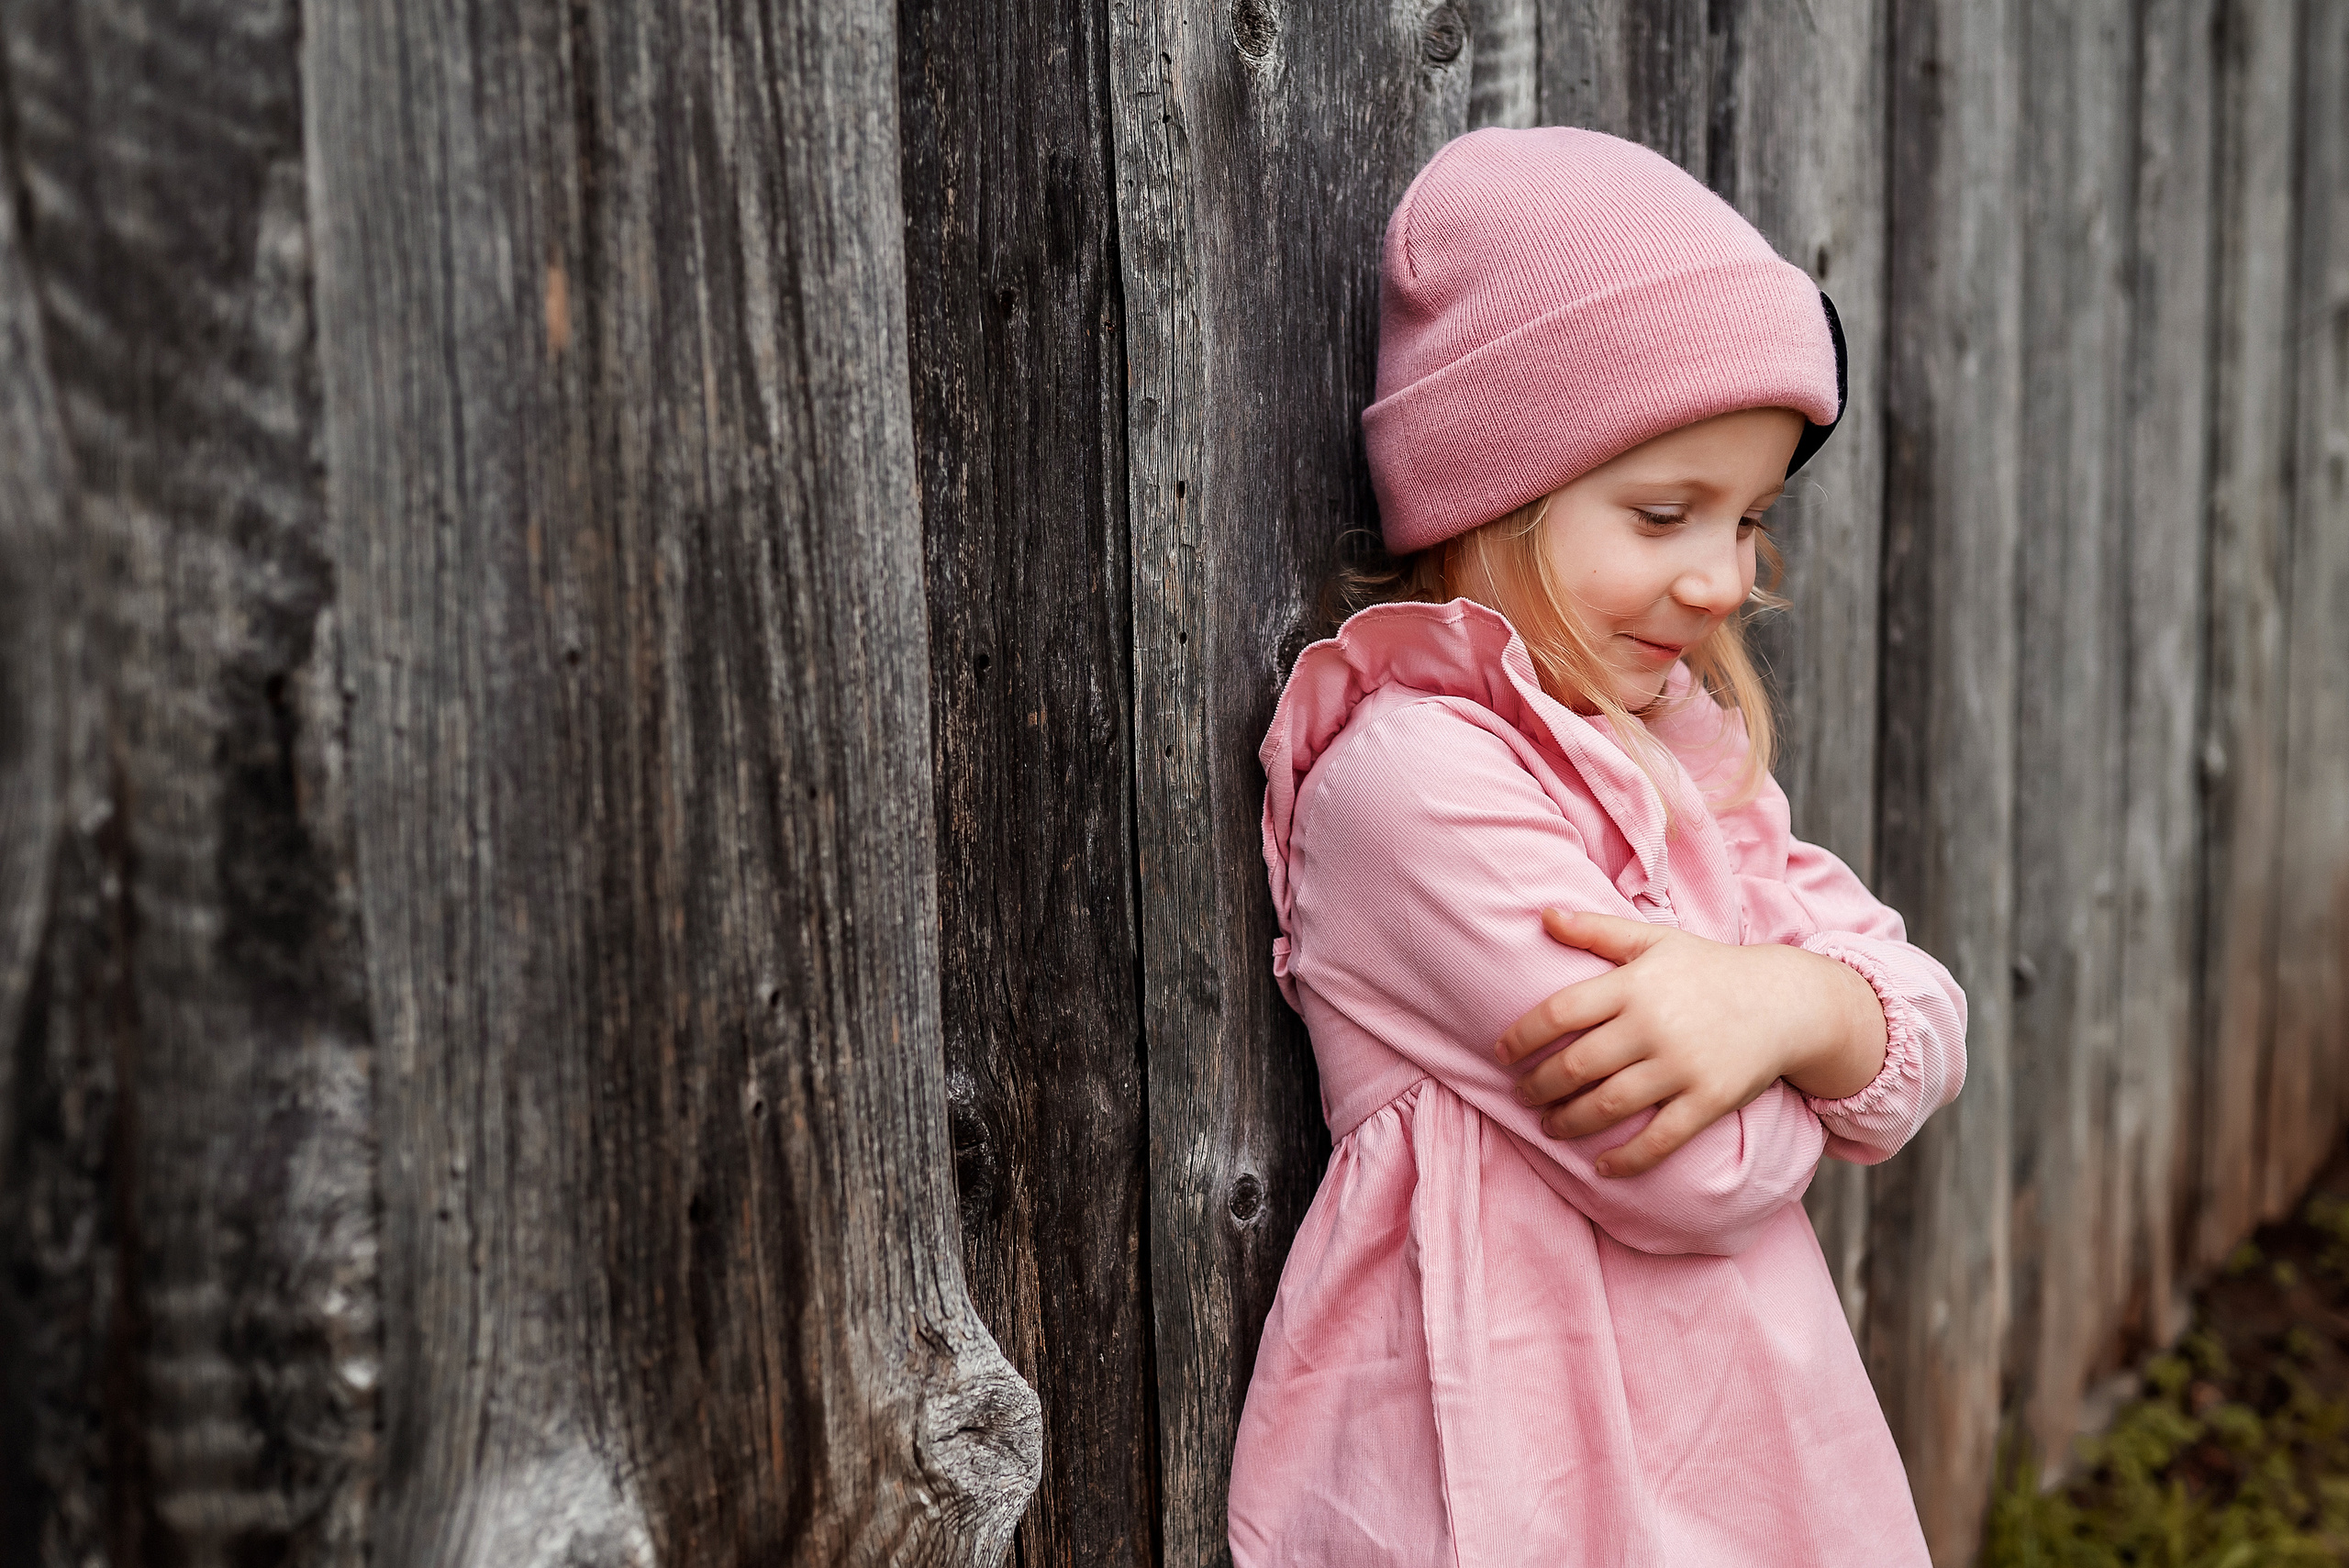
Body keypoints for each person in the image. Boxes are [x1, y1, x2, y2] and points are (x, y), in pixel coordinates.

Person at [1229, 126, 1966, 1565]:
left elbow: (1927, 1020)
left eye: (1748, 520)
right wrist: (1812, 1036)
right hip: (1524, 1472)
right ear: (1490, 491)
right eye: (1664, 513)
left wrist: (1786, 1005)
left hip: (1741, 1448)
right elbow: (1693, 1167)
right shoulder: (1414, 787)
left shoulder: (1673, 752)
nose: (1722, 579)